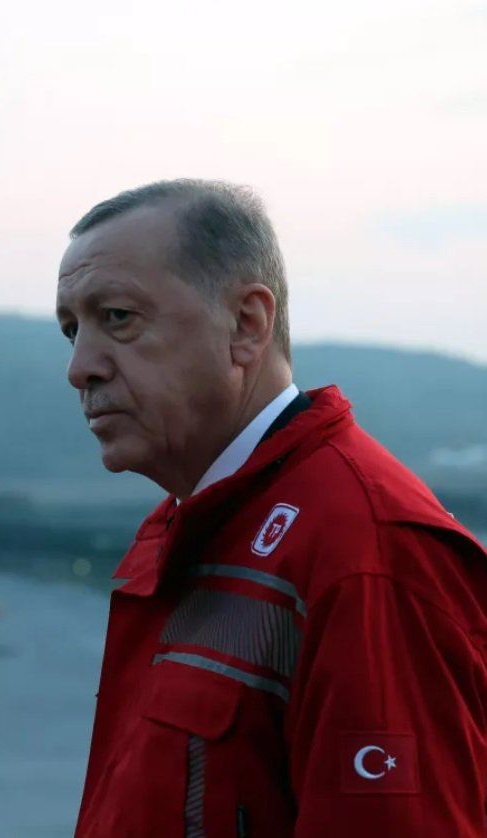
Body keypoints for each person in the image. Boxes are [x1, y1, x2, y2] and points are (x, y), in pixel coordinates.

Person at [58, 179, 487, 836]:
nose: (80, 367)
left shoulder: (366, 553)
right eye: (71, 331)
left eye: (117, 317)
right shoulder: (191, 520)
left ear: (247, 325)